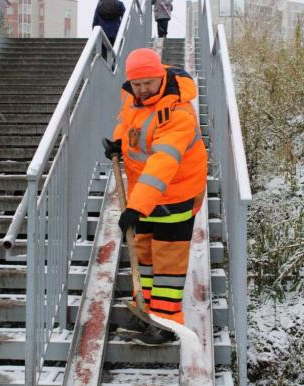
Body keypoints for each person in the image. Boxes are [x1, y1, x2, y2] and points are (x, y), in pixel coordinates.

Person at [102, 48, 207, 346]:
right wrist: (119, 144)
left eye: (148, 83)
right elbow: (130, 124)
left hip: (176, 193)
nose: (143, 89)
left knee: (167, 261)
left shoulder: (178, 113)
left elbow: (163, 163)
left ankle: (166, 323)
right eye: (137, 84)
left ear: (160, 76)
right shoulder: (133, 99)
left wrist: (136, 207)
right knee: (144, 254)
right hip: (144, 193)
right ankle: (145, 311)